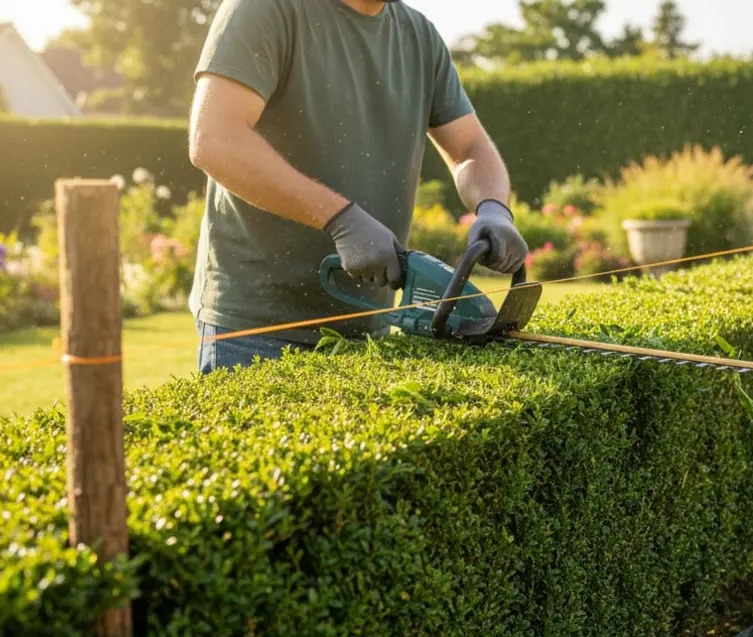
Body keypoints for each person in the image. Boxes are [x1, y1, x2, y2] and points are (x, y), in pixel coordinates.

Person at [186, 0, 528, 374]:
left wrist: (494, 207)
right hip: (256, 329)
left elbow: (469, 147)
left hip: (369, 330)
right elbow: (215, 140)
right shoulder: (268, 9)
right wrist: (341, 219)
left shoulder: (419, 36)